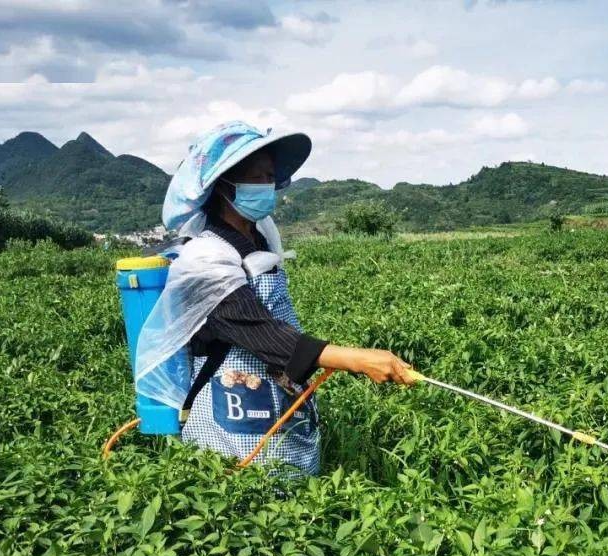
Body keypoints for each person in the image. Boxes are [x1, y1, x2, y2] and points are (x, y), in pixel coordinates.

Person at [135, 122, 416, 476]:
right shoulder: (205, 259)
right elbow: (263, 332)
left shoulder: (260, 236)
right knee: (245, 498)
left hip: (275, 389)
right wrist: (356, 359)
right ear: (224, 186)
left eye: (271, 177)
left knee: (294, 492)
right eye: (259, 178)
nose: (269, 187)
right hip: (229, 405)